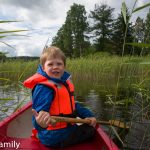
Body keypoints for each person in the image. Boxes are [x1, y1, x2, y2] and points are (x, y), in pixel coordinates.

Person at [23, 46, 97, 148]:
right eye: (50, 64)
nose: (55, 67)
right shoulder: (44, 88)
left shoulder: (63, 83)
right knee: (91, 130)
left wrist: (88, 115)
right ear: (43, 67)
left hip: (63, 130)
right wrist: (40, 123)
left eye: (59, 64)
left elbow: (73, 106)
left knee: (89, 125)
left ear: (64, 66)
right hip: (55, 136)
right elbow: (39, 115)